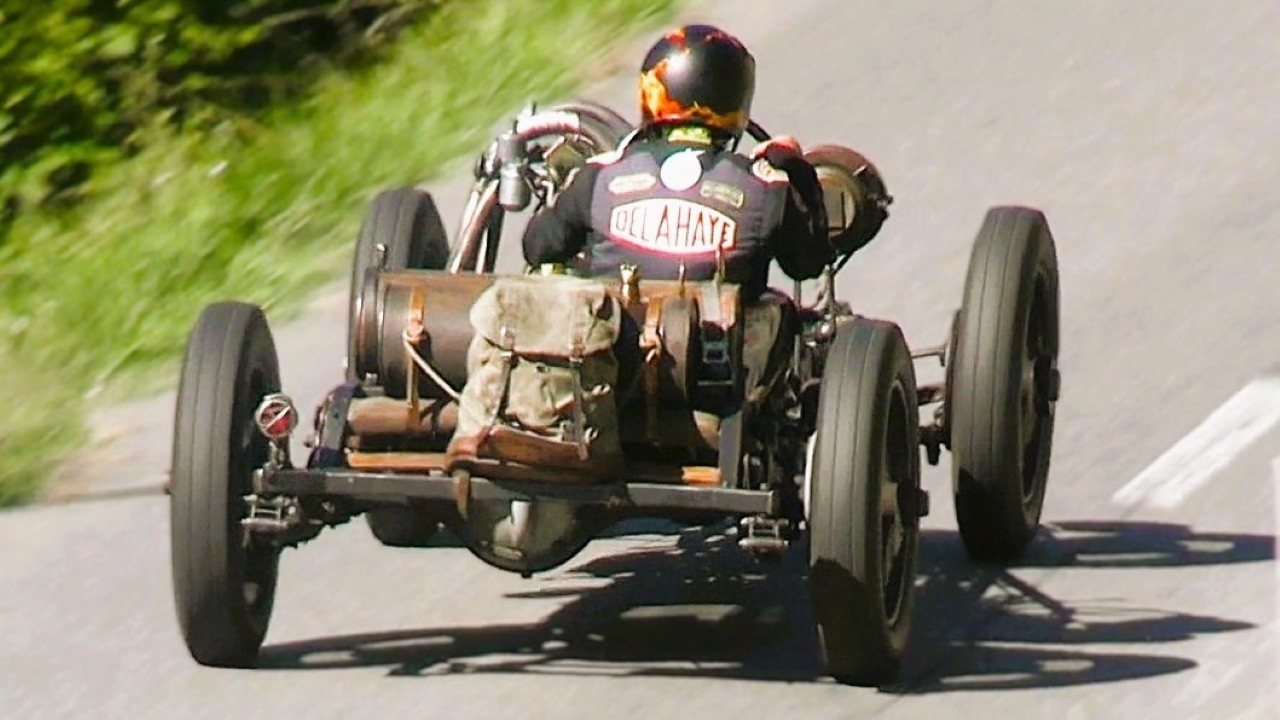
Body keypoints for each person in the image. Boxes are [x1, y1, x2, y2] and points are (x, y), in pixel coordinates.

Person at [521, 23, 850, 301]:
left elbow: (537, 247)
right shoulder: (766, 187)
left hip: (609, 355)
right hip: (723, 369)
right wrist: (794, 167)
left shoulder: (598, 176)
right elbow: (807, 263)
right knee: (782, 310)